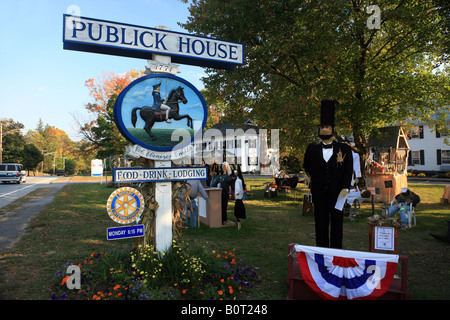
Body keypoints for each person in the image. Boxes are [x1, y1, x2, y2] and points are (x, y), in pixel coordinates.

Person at [303, 100, 354, 249]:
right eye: (322, 127)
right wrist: (311, 183)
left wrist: (345, 186)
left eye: (327, 126)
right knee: (320, 222)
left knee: (337, 222)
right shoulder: (312, 149)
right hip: (319, 193)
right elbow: (306, 167)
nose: (325, 129)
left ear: (332, 129)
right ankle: (322, 250)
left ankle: (336, 251)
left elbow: (348, 170)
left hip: (338, 193)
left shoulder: (344, 149)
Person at [234, 165, 246, 230]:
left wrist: (236, 195)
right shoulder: (240, 180)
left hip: (238, 198)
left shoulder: (238, 181)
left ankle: (239, 225)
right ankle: (239, 224)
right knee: (239, 212)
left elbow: (238, 189)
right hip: (240, 198)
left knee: (237, 213)